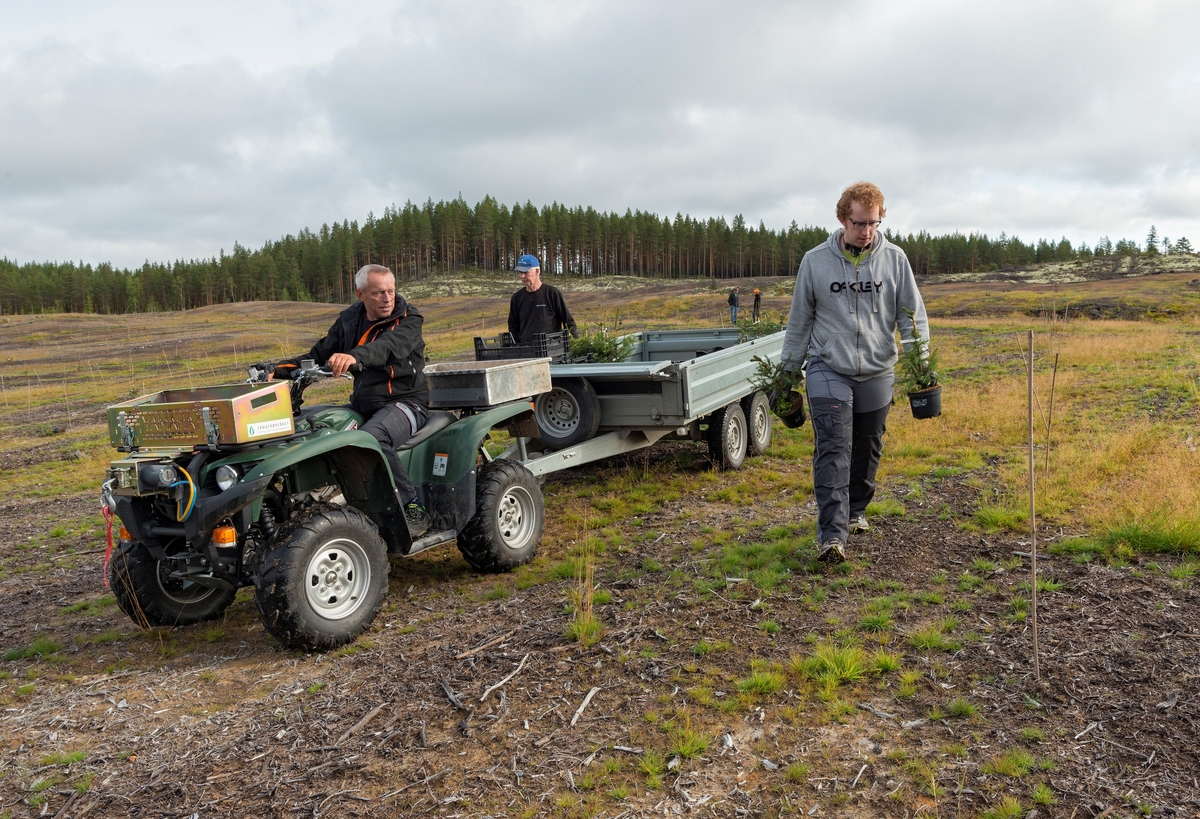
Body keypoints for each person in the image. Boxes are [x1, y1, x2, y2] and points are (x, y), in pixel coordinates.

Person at [780, 182, 929, 563]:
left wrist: (921, 365)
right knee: (833, 448)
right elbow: (799, 322)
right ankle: (832, 536)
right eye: (859, 223)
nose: (867, 231)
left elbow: (912, 316)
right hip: (829, 367)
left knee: (868, 446)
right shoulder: (815, 261)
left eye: (874, 224)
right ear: (842, 217)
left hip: (878, 369)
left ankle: (856, 510)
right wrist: (786, 374)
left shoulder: (895, 260)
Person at [271, 264, 432, 537]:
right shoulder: (349, 320)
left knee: (372, 439)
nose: (387, 298)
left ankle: (412, 506)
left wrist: (355, 356)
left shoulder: (408, 318)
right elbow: (320, 354)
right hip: (363, 405)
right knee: (311, 429)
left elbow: (389, 347)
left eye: (391, 291)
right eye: (378, 293)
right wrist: (276, 369)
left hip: (407, 402)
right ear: (360, 294)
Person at [507, 254, 579, 344]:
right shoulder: (517, 298)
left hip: (551, 350)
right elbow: (513, 326)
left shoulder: (552, 293)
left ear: (537, 271)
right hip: (526, 350)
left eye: (526, 272)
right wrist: (516, 347)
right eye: (520, 272)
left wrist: (576, 344)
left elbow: (568, 321)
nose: (522, 276)